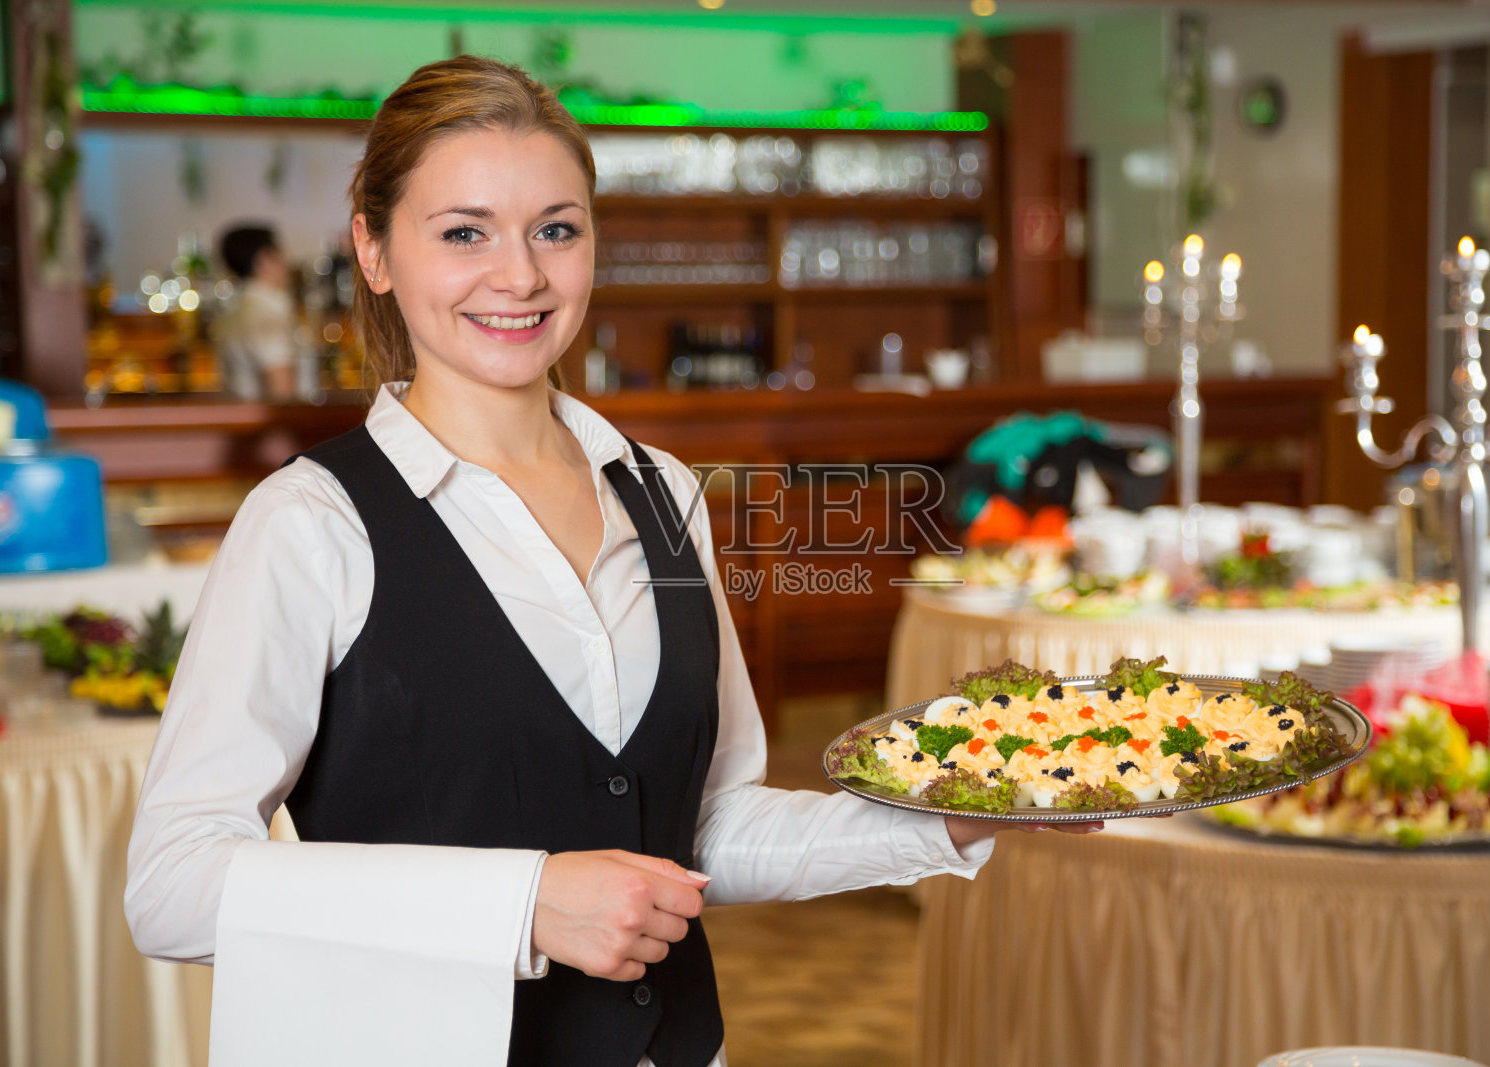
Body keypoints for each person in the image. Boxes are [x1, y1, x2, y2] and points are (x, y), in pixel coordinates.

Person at [125, 56, 1097, 1067]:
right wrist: (526, 904)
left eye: (557, 227)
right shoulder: (310, 523)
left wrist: (963, 812)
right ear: (372, 250)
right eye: (464, 232)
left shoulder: (664, 492)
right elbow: (172, 885)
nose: (521, 275)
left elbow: (706, 825)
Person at [213, 223, 297, 401]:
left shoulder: (237, 309)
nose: (287, 262)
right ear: (264, 260)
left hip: (243, 421)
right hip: (273, 423)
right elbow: (282, 393)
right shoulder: (265, 313)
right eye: (280, 254)